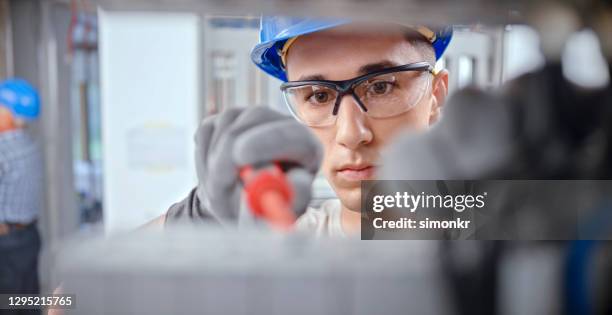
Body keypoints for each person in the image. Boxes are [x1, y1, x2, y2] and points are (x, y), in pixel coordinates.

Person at [152, 18, 451, 237]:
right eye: (319, 95)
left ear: (436, 96)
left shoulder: (480, 223)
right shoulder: (289, 241)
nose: (351, 134)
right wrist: (195, 221)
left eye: (382, 87)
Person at [0, 78, 43, 315]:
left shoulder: (3, 149)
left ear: (9, 113)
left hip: (5, 245)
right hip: (29, 237)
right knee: (26, 303)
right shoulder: (29, 145)